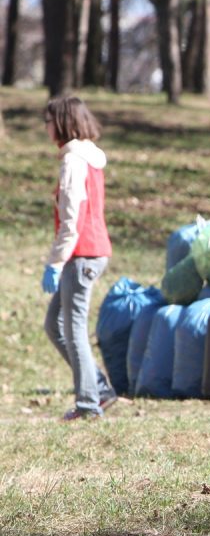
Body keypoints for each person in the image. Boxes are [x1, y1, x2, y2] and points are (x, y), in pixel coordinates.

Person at [41, 96, 118, 421]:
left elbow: (72, 220)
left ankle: (89, 403)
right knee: (54, 324)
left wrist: (55, 263)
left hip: (82, 254)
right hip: (88, 252)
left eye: (48, 121)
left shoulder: (74, 161)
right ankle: (99, 388)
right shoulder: (87, 157)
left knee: (72, 329)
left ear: (61, 123)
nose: (45, 127)